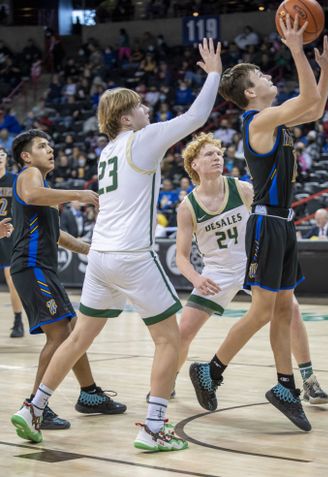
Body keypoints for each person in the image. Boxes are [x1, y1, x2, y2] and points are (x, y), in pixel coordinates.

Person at [12, 38, 222, 451]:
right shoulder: (140, 139)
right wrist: (213, 72)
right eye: (141, 106)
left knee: (77, 339)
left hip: (101, 257)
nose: (147, 110)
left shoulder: (107, 150)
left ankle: (33, 407)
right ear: (127, 117)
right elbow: (197, 115)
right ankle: (154, 426)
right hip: (130, 256)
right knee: (169, 340)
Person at [189, 22, 328, 433]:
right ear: (250, 95)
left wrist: (325, 67)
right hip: (265, 224)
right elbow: (308, 99)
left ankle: (284, 385)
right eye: (262, 77)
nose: (270, 78)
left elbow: (316, 108)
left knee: (281, 308)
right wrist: (296, 48)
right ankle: (212, 370)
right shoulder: (258, 122)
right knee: (262, 310)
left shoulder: (275, 120)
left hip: (283, 225)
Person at [176, 132, 328, 406]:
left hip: (252, 264)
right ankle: (167, 380)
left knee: (291, 310)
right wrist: (196, 278)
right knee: (184, 331)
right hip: (217, 271)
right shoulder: (187, 207)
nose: (217, 157)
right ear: (194, 164)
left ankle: (309, 380)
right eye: (209, 154)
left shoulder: (242, 189)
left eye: (219, 154)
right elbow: (181, 257)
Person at [9, 130, 126, 434]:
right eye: (42, 146)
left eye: (50, 144)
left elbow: (57, 236)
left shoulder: (43, 189)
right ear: (25, 156)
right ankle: (37, 406)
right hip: (31, 267)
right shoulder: (29, 176)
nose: (50, 149)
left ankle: (89, 393)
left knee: (71, 331)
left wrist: (90, 249)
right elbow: (34, 195)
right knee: (59, 334)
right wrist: (77, 194)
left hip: (42, 268)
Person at [0, 146, 24, 337]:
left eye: (2, 155)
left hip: (9, 233)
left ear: (6, 159)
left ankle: (18, 321)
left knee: (12, 279)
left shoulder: (15, 180)